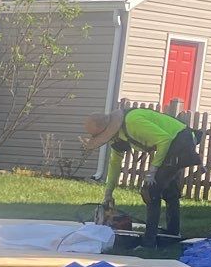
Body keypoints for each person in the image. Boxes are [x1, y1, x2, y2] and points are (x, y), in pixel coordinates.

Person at [82, 106, 200, 248]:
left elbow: (164, 140)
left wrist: (153, 170)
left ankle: (149, 243)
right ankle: (172, 234)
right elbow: (114, 164)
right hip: (173, 143)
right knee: (168, 191)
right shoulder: (118, 137)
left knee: (150, 191)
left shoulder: (133, 123)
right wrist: (108, 193)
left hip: (181, 141)